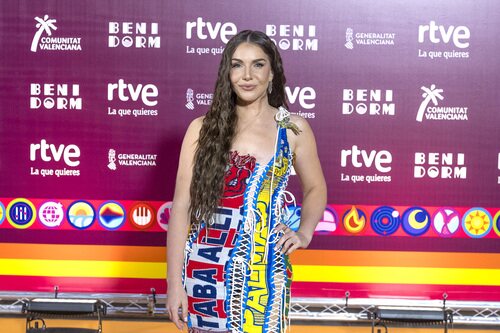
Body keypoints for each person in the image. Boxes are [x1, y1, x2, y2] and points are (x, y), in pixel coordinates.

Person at [167, 30, 326, 333]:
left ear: (272, 72)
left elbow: (316, 187)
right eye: (237, 65)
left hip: (264, 274)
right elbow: (181, 208)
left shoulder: (292, 128)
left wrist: (304, 232)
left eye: (258, 64)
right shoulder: (201, 128)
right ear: (227, 72)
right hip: (205, 272)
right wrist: (174, 285)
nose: (247, 75)